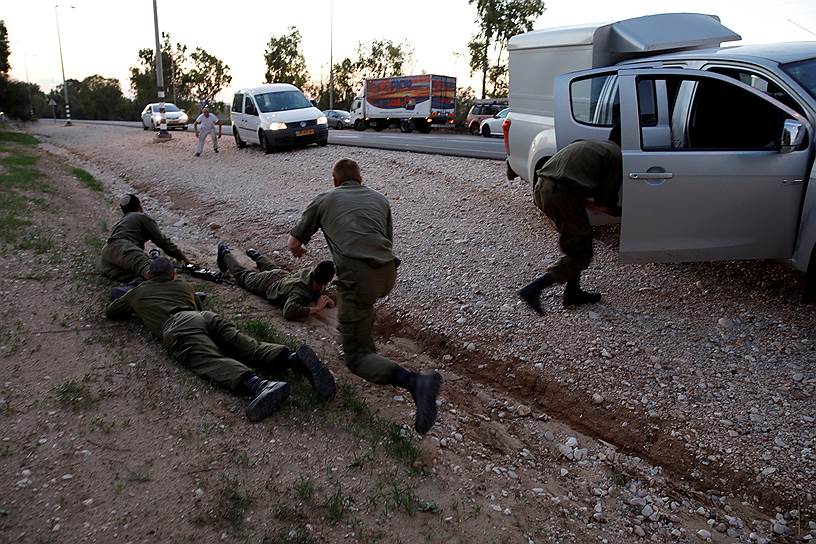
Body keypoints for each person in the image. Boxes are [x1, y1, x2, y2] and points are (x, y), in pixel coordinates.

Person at [287, 158, 442, 434]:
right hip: (386, 273)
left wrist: (299, 252)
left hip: (358, 278)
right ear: (361, 179)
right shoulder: (380, 200)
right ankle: (368, 344)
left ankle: (416, 383)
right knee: (361, 305)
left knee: (355, 358)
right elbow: (385, 241)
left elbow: (294, 243)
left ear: (334, 182)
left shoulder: (324, 199)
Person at [105, 257, 336, 422]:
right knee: (245, 344)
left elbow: (113, 311)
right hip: (203, 316)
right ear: (173, 275)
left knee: (209, 359)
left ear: (149, 276)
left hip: (177, 326)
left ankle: (260, 385)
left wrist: (132, 296)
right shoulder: (183, 285)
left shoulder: (138, 292)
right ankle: (293, 358)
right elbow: (196, 305)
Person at [518, 126, 622, 314]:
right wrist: (629, 213)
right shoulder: (616, 155)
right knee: (581, 252)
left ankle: (573, 293)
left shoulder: (590, 144)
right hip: (560, 195)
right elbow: (605, 203)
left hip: (542, 189)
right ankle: (534, 288)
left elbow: (572, 175)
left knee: (579, 242)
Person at [216, 242, 336, 321]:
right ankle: (225, 252)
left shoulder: (310, 273)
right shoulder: (299, 291)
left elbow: (315, 289)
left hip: (282, 276)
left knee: (272, 268)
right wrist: (317, 308)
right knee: (243, 275)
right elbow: (288, 311)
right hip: (267, 283)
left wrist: (323, 299)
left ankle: (256, 255)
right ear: (326, 281)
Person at [98, 194, 189, 282]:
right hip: (123, 248)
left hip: (106, 257)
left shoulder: (120, 222)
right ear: (140, 207)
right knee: (156, 274)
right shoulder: (141, 217)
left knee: (136, 274)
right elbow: (162, 241)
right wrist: (184, 259)